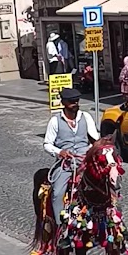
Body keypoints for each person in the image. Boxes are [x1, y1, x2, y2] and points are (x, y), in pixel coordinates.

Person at [43, 87, 99, 224]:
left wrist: (90, 151)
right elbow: (47, 144)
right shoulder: (55, 121)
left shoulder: (86, 117)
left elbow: (95, 139)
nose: (75, 104)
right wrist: (60, 152)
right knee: (57, 193)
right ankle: (59, 226)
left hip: (84, 161)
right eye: (72, 101)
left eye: (77, 101)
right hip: (66, 165)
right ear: (64, 102)